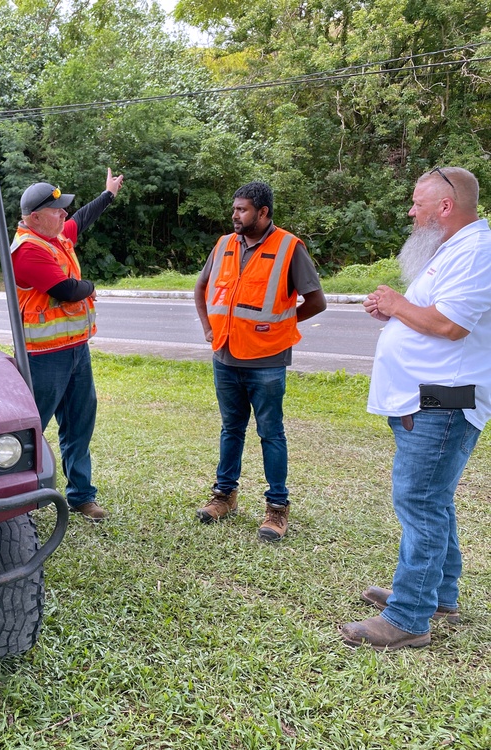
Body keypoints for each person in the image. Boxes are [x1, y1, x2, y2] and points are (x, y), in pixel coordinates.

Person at [341, 167, 491, 650]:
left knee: (420, 502)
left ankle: (408, 616)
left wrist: (397, 302)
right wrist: (396, 311)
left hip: (443, 400)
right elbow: (432, 315)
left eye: (416, 202)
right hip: (432, 397)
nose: (410, 211)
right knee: (434, 500)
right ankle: (436, 594)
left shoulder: (475, 250)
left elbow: (450, 325)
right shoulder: (454, 249)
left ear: (445, 207)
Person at [194, 181, 327, 541]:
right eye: (234, 209)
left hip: (267, 361)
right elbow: (202, 287)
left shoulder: (289, 247)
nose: (234, 215)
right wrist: (208, 327)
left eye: (242, 210)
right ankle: (224, 496)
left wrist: (283, 324)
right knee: (231, 429)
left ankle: (277, 509)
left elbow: (317, 301)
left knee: (271, 433)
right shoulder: (224, 244)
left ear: (263, 212)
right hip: (224, 355)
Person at [10, 169, 124, 522]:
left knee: (79, 424)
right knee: (31, 429)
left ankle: (81, 496)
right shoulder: (27, 251)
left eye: (63, 210)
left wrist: (108, 195)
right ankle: (15, 500)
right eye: (57, 210)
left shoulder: (56, 236)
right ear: (34, 217)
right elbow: (67, 290)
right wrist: (90, 286)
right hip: (43, 358)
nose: (64, 215)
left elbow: (82, 219)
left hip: (75, 350)